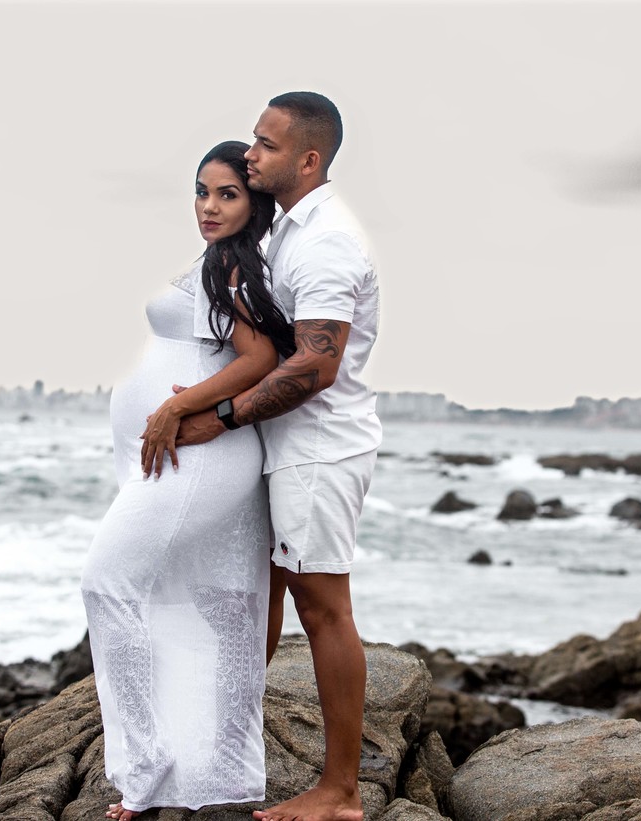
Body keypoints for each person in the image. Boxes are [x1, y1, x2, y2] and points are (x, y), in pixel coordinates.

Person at [172, 91, 380, 821]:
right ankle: (219, 747)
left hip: (319, 450)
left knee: (323, 608)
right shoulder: (286, 231)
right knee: (258, 595)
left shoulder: (327, 240)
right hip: (286, 448)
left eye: (263, 145)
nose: (250, 153)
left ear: (307, 158)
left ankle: (341, 790)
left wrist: (218, 415)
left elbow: (315, 365)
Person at [79, 140, 295, 821]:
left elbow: (260, 356)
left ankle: (146, 774)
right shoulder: (218, 261)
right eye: (202, 191)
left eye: (227, 194)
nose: (208, 206)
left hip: (203, 453)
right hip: (181, 455)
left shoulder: (236, 264)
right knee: (212, 601)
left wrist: (176, 405)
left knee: (107, 580)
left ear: (253, 201)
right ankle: (215, 765)